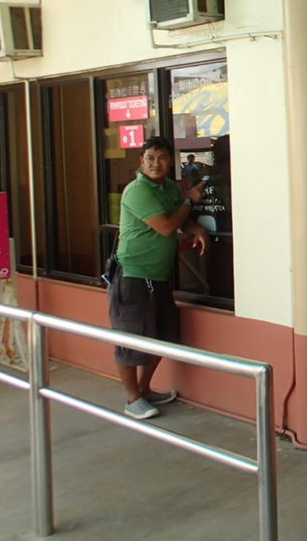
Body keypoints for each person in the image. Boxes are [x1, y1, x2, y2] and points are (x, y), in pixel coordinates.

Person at [108, 136, 209, 420]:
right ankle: (132, 399)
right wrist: (189, 202)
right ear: (141, 162)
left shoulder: (168, 189)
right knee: (130, 341)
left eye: (162, 158)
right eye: (150, 158)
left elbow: (179, 217)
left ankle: (144, 389)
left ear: (170, 162)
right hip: (133, 277)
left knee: (162, 336)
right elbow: (166, 227)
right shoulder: (137, 190)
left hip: (159, 278)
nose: (156, 163)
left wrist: (196, 228)